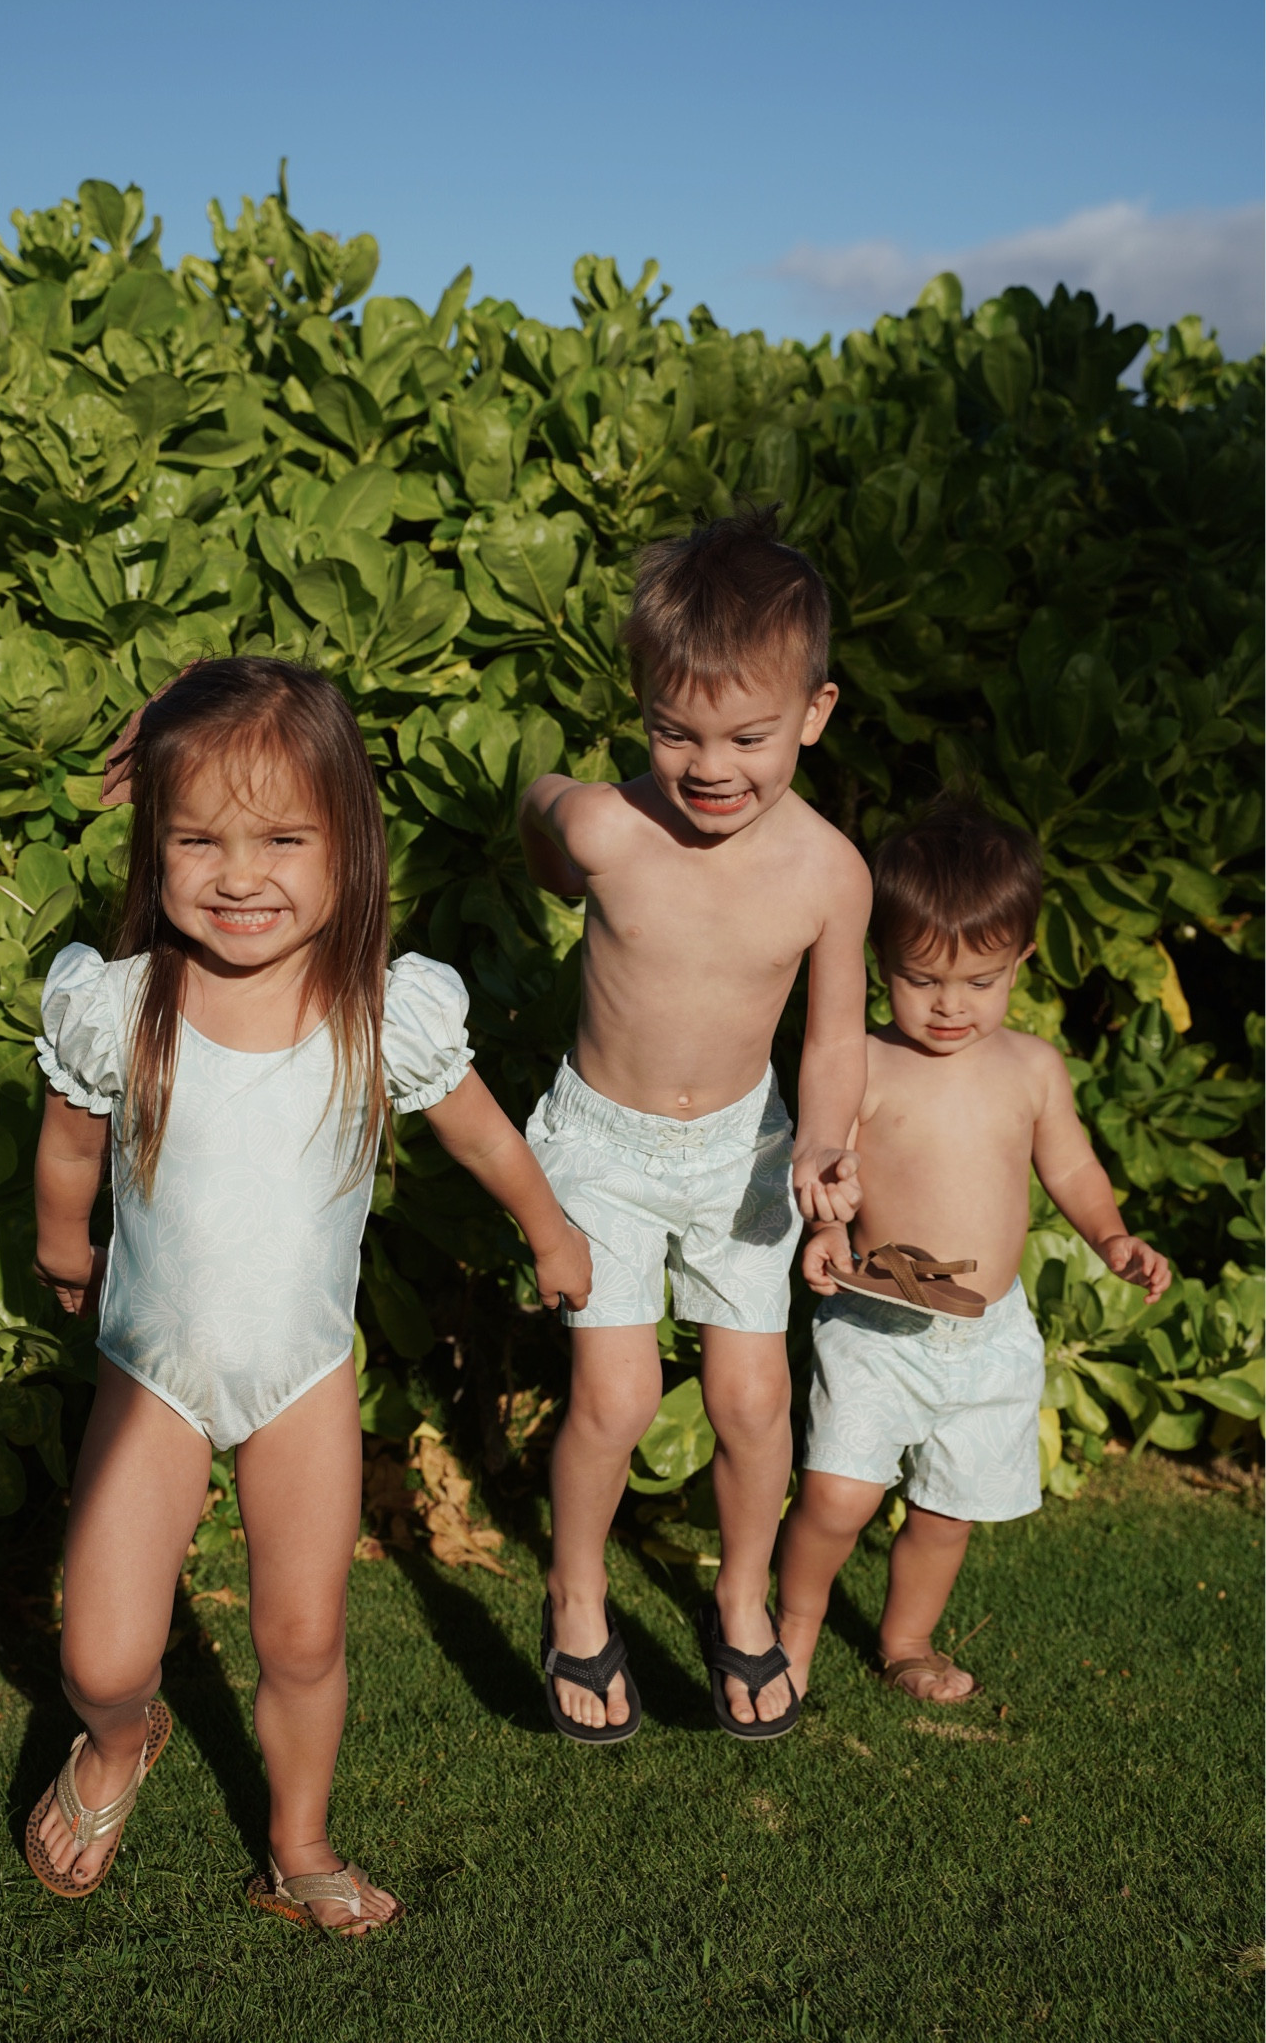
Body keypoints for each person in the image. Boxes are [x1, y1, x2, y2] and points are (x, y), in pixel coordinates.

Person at [26, 658, 590, 1932]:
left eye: (283, 837)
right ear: (152, 844)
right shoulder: (121, 1008)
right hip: (152, 1373)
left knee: (300, 1637)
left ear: (351, 844)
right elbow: (67, 1148)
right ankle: (120, 1738)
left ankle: (299, 1839)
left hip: (301, 1382)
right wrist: (67, 1247)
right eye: (199, 838)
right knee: (98, 1654)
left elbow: (486, 1137)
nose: (240, 872)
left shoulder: (380, 1011)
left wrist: (548, 1227)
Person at [518, 510, 870, 1743]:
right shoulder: (615, 832)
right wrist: (549, 822)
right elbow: (544, 801)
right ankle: (574, 1595)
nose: (710, 764)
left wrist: (826, 1144)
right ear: (644, 706)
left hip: (745, 1154)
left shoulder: (830, 872)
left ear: (813, 713)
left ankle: (737, 1597)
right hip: (600, 1150)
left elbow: (830, 1038)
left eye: (747, 735)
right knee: (611, 1400)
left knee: (754, 1400)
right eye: (676, 731)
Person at [777, 795, 1170, 1704]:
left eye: (980, 981)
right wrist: (828, 1230)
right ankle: (789, 1629)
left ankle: (907, 1639)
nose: (951, 1005)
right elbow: (828, 1162)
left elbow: (1070, 1166)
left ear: (1021, 961)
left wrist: (1112, 1238)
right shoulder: (862, 1062)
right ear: (879, 963)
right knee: (839, 1496)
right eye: (922, 980)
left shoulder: (1032, 1069)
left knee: (947, 1509)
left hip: (991, 1335)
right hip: (879, 1325)